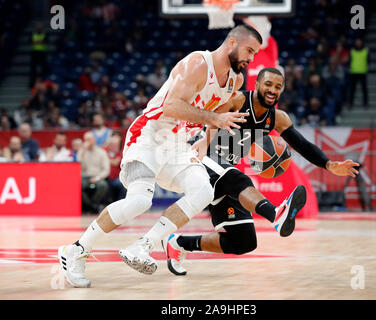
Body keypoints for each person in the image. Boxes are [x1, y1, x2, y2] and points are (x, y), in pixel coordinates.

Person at [58, 24, 262, 287]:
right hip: (150, 134)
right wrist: (214, 119)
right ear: (232, 42)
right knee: (139, 201)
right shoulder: (198, 63)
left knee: (203, 191)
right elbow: (172, 105)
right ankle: (76, 249)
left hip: (178, 143)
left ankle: (143, 246)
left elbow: (218, 117)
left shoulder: (236, 80)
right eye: (249, 51)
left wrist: (205, 140)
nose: (251, 59)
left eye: (255, 54)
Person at [162, 67, 360, 275]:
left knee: (242, 241)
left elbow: (301, 144)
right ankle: (276, 214)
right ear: (257, 85)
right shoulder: (238, 101)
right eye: (268, 84)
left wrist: (329, 165)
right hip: (200, 156)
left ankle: (178, 243)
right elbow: (213, 118)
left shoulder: (278, 118)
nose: (272, 90)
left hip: (223, 172)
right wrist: (204, 142)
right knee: (238, 179)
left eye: (278, 86)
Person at [78, 132, 110, 214]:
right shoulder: (81, 152)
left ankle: (92, 205)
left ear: (94, 140)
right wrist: (83, 153)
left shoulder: (101, 152)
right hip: (84, 177)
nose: (88, 142)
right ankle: (92, 206)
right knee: (77, 186)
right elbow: (78, 167)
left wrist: (97, 178)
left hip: (97, 177)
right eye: (86, 140)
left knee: (103, 185)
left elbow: (106, 170)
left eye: (90, 139)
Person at [348, 38, 370, 109]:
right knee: (352, 89)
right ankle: (350, 103)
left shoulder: (365, 50)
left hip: (363, 72)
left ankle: (365, 103)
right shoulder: (352, 51)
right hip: (353, 72)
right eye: (357, 42)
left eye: (359, 42)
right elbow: (349, 60)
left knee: (364, 89)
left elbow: (368, 60)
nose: (358, 43)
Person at [105, 135, 126, 203]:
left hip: (117, 177)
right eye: (112, 144)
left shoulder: (121, 152)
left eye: (116, 145)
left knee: (123, 183)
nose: (114, 146)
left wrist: (105, 159)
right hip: (106, 177)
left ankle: (120, 203)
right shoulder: (105, 151)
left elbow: (116, 162)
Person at [29, 23, 48, 87]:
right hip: (34, 53)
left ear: (42, 28)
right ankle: (32, 84)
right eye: (38, 27)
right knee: (33, 70)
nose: (39, 28)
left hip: (42, 53)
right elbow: (30, 42)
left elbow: (45, 41)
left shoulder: (45, 34)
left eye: (40, 27)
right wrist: (40, 42)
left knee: (43, 69)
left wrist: (36, 42)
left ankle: (43, 82)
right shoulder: (32, 34)